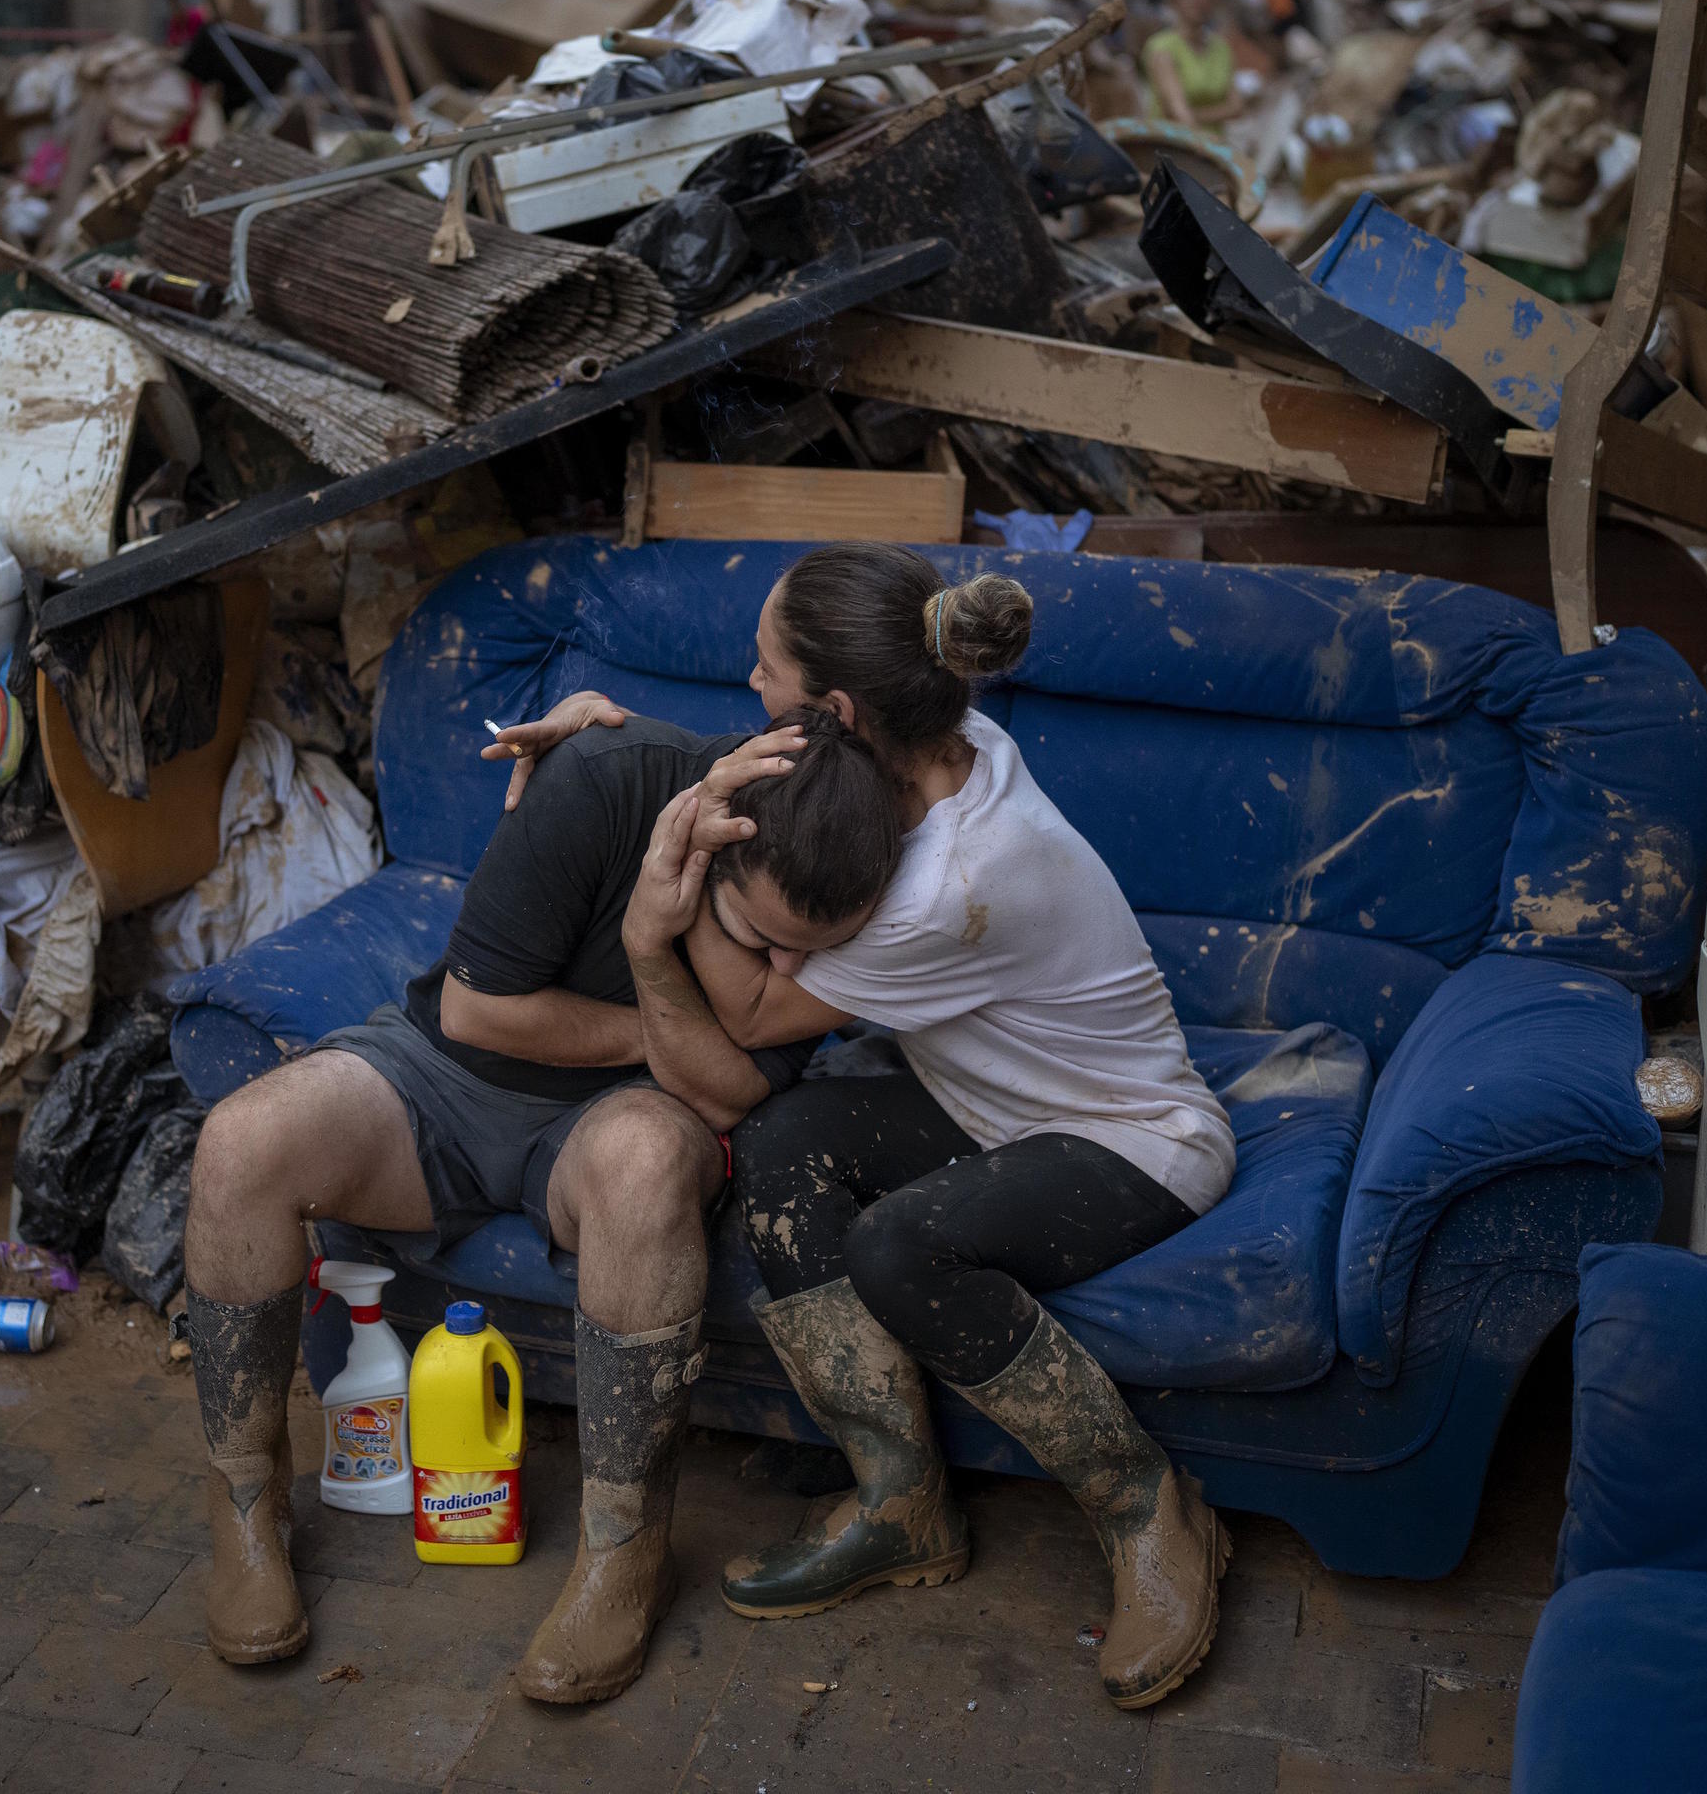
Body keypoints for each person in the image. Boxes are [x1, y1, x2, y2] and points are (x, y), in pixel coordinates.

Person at [484, 544, 1237, 1710]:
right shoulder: (944, 741)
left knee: (900, 1245)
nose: (746, 684)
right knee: (784, 1146)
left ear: (834, 710)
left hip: (1130, 1134)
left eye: (763, 666)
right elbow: (771, 765)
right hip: (986, 1106)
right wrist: (607, 737)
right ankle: (901, 1503)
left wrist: (665, 886)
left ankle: (1151, 1506)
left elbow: (741, 1019)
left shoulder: (946, 882)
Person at [181, 706, 900, 1706]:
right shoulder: (606, 781)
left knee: (647, 1160)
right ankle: (246, 1508)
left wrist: (662, 969)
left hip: (622, 1119)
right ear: (704, 842)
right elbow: (480, 1012)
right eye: (758, 938)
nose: (783, 978)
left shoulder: (853, 881)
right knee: (240, 1144)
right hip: (448, 1070)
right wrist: (670, 1030)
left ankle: (623, 1554)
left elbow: (729, 1094)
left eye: (809, 957)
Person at [1142, 0, 1244, 131]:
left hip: (1213, 147)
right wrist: (1214, 113)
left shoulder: (1221, 48)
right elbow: (1179, 114)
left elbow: (1236, 107)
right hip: (1176, 148)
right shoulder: (1162, 48)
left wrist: (1196, 114)